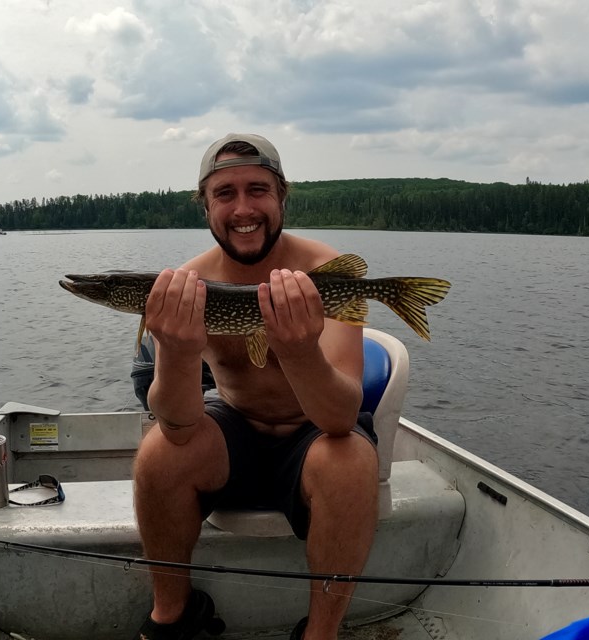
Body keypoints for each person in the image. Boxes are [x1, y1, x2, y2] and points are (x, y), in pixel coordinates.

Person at [132, 133, 380, 640]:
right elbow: (177, 425)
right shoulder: (185, 284)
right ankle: (173, 618)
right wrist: (176, 351)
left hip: (315, 432)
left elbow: (339, 417)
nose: (243, 208)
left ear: (281, 196)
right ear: (204, 206)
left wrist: (297, 350)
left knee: (350, 459)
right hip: (234, 428)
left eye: (258, 189)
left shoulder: (322, 271)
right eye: (225, 194)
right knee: (158, 451)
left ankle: (321, 633)